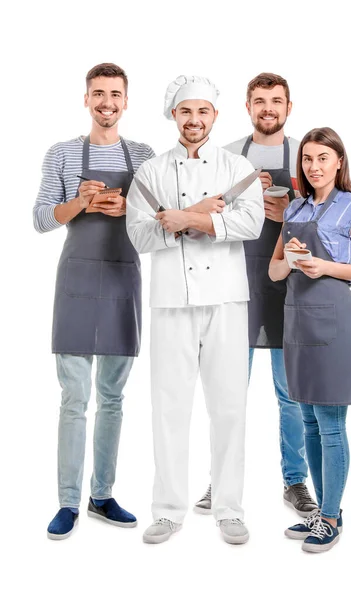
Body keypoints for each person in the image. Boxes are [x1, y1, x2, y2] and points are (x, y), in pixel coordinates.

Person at [126, 75, 264, 545]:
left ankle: (229, 508)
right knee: (169, 406)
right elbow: (139, 235)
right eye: (186, 111)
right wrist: (187, 224)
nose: (194, 120)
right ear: (173, 116)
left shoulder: (236, 166)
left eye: (202, 111)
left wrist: (189, 218)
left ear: (215, 116)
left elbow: (251, 220)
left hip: (226, 297)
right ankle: (167, 510)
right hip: (171, 300)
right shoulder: (151, 174)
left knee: (229, 406)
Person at [33, 63, 155, 540]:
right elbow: (42, 218)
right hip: (76, 280)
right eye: (99, 94)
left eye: (116, 95)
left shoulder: (143, 154)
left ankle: (102, 495)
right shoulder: (63, 154)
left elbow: (158, 218)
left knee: (112, 397)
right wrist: (80, 202)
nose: (107, 102)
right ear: (86, 99)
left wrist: (131, 208)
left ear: (126, 101)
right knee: (74, 397)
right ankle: (67, 501)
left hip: (123, 277)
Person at [194, 73, 316, 517]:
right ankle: (220, 480)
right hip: (236, 286)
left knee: (292, 393)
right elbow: (204, 220)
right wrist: (241, 199)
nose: (268, 108)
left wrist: (292, 213)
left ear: (289, 106)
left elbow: (327, 224)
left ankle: (295, 481)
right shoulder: (225, 156)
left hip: (292, 289)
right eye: (260, 101)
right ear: (248, 107)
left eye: (276, 101)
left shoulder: (306, 157)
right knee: (228, 392)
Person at [269, 127, 351, 552]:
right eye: (307, 159)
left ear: (339, 162)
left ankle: (331, 518)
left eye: (322, 158)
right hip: (298, 323)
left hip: (336, 324)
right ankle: (321, 513)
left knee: (331, 426)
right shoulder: (293, 210)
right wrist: (295, 260)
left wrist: (325, 266)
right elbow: (274, 272)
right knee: (310, 425)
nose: (314, 167)